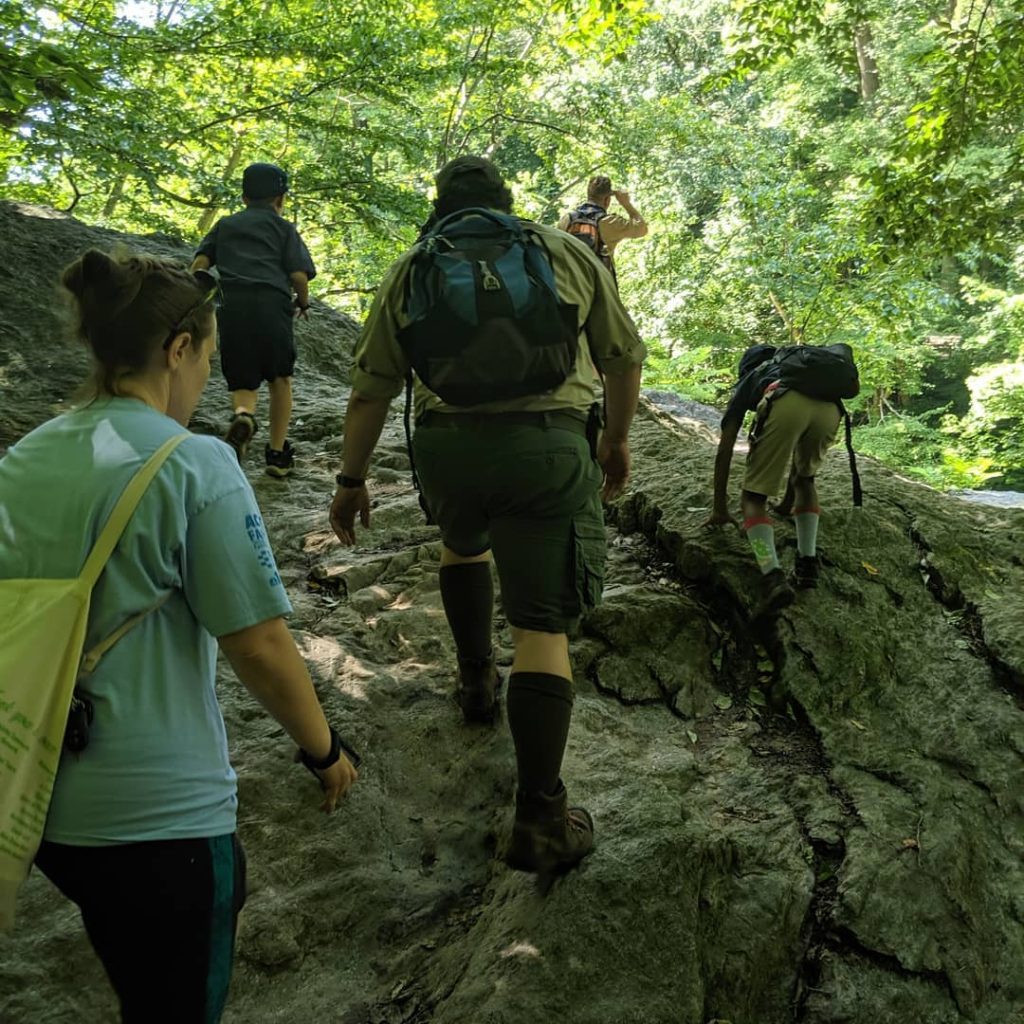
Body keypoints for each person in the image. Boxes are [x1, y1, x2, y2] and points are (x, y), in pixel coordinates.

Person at [0, 250, 357, 1023]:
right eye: (209, 357)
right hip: (161, 816)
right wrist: (324, 750)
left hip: (40, 803)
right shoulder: (195, 464)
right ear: (177, 350)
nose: (204, 380)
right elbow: (257, 645)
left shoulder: (25, 456)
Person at [329, 156, 646, 875]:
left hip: (450, 451)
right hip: (547, 451)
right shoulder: (565, 251)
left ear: (441, 205)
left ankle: (476, 682)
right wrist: (615, 442)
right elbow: (623, 355)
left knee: (462, 547)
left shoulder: (415, 266)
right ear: (508, 202)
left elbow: (371, 387)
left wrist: (350, 481)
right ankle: (540, 816)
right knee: (541, 629)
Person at [191, 161, 316, 478]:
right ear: (281, 199)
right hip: (272, 305)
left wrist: (210, 299)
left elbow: (200, 265)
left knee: (243, 378)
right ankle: (276, 454)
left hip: (232, 306)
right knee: (279, 379)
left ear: (244, 197)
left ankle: (243, 416)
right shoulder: (284, 228)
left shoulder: (227, 224)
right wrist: (302, 302)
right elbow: (299, 275)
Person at [705, 344, 843, 615]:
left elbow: (725, 449)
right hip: (831, 409)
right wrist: (785, 504)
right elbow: (797, 458)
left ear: (744, 367)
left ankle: (772, 574)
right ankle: (807, 563)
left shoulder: (750, 378)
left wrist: (719, 508)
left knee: (753, 498)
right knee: (807, 480)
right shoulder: (805, 371)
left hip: (783, 401)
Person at [558, 175, 648, 283]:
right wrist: (626, 203)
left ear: (588, 195)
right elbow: (642, 229)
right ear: (607, 200)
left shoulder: (567, 219)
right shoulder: (609, 222)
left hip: (566, 283)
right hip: (598, 287)